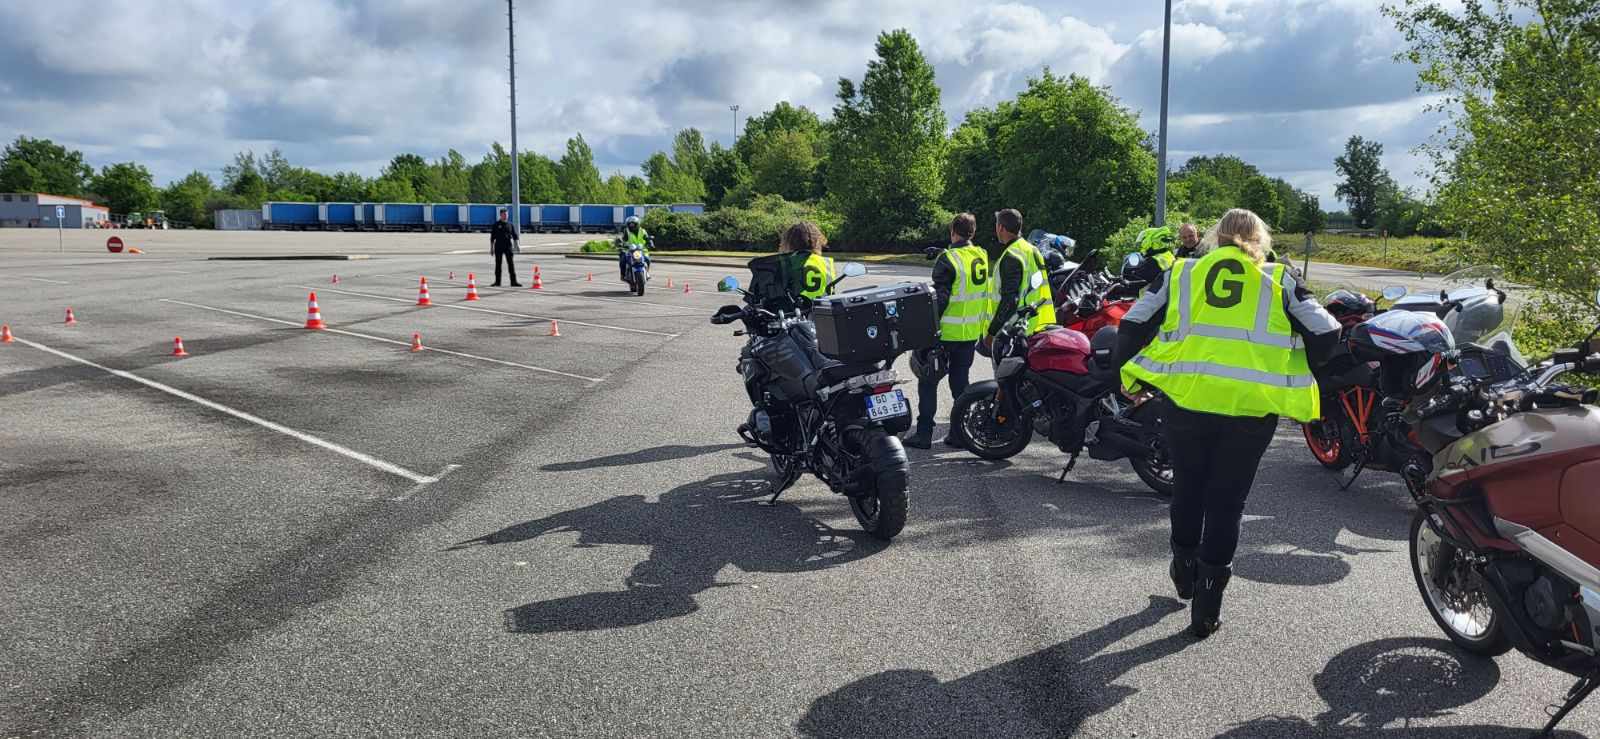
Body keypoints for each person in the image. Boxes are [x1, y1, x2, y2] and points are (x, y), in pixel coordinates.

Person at [1114, 208, 1339, 639]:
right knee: (1226, 504)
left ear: (1216, 238)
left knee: (1188, 489)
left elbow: (1133, 323)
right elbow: (1327, 334)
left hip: (1188, 402)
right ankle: (1207, 608)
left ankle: (1183, 566)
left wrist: (1129, 377)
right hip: (1250, 411)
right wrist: (1307, 368)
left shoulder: (1181, 273)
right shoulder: (1280, 279)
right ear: (1261, 240)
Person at [906, 213, 992, 450]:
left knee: (927, 381)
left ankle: (923, 434)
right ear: (972, 233)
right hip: (969, 332)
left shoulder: (947, 259)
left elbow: (941, 300)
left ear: (953, 231)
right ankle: (958, 433)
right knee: (960, 383)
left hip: (945, 333)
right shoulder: (981, 255)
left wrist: (924, 329)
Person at [985, 208, 1055, 343]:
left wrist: (993, 332)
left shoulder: (1012, 255)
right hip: (1036, 324)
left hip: (1017, 331)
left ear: (1000, 227)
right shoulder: (1031, 249)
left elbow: (1010, 300)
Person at [778, 221, 835, 301]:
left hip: (796, 310)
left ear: (789, 241)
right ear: (817, 241)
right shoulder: (827, 263)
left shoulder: (786, 263)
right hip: (822, 310)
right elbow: (831, 292)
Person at [489, 209, 521, 287]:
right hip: (498, 247)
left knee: (511, 264)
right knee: (498, 265)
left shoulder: (510, 224)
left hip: (508, 247)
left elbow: (514, 236)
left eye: (506, 214)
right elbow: (492, 238)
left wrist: (517, 245)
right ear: (500, 215)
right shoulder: (496, 225)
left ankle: (514, 282)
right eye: (504, 214)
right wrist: (491, 248)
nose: (505, 216)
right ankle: (497, 282)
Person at [619, 216, 652, 281]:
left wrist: (651, 243)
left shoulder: (643, 231)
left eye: (633, 224)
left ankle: (647, 272)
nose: (632, 226)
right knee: (622, 260)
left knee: (648, 259)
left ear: (637, 224)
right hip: (630, 250)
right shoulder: (627, 231)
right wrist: (620, 243)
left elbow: (647, 238)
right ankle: (622, 275)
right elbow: (623, 239)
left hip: (642, 250)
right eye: (630, 224)